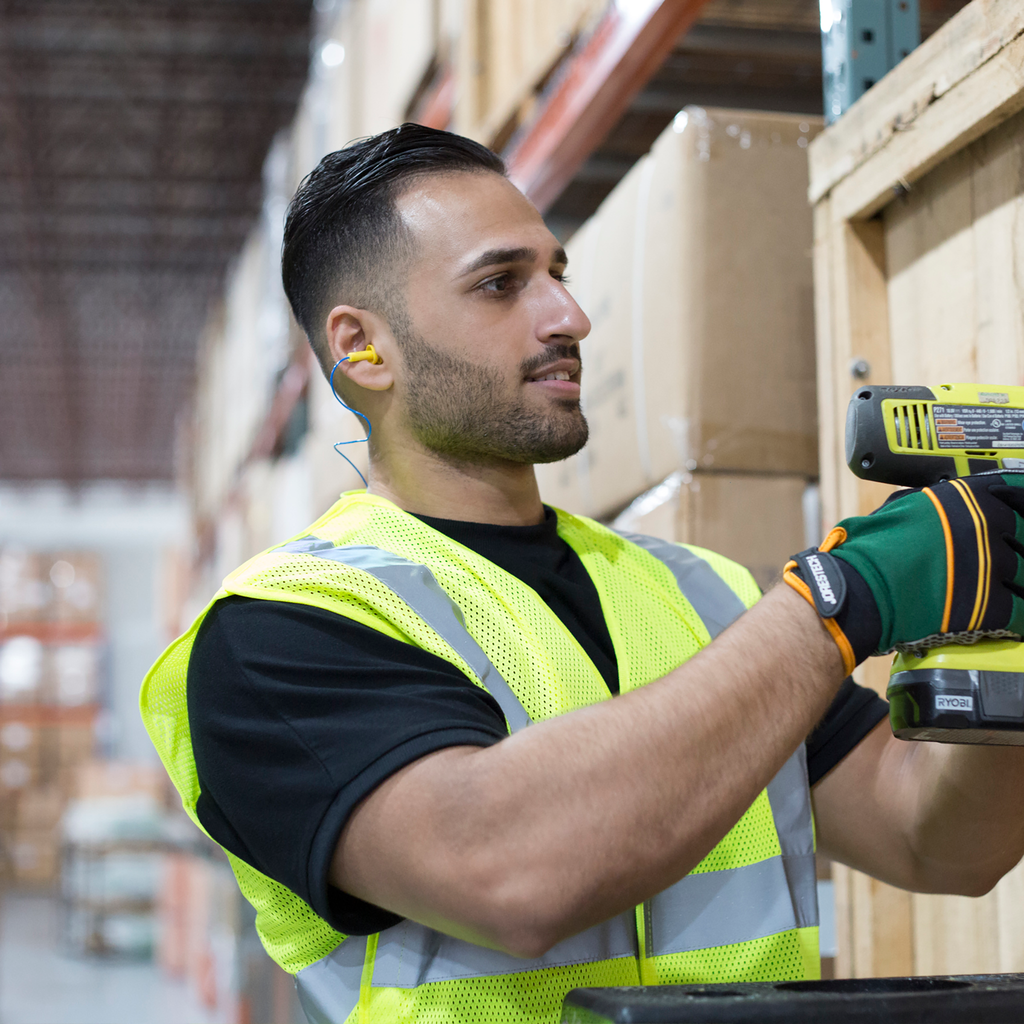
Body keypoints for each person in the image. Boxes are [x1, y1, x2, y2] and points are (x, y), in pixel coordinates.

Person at [141, 124, 1024, 1024]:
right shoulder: (276, 634)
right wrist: (841, 602)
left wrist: (1004, 642)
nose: (569, 315)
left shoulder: (699, 592)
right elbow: (509, 871)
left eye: (556, 272)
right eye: (500, 283)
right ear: (364, 349)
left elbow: (938, 842)